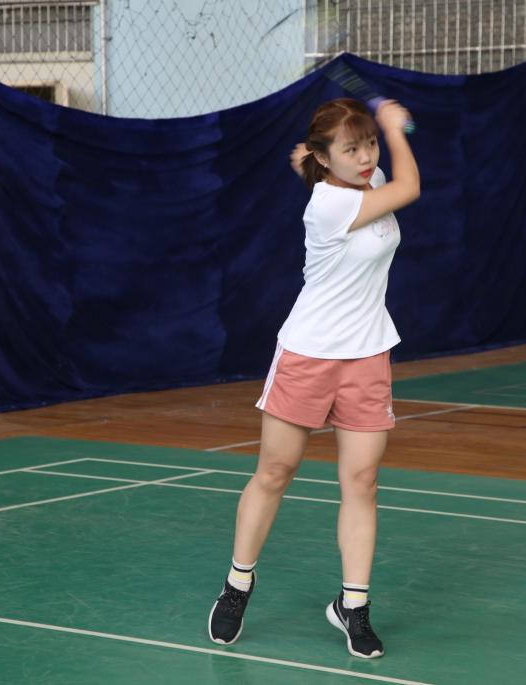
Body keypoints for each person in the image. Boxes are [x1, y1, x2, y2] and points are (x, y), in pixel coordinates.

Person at [208, 97, 419, 659]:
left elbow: (357, 171)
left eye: (370, 144)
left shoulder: (360, 180)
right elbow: (409, 187)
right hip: (308, 353)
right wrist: (394, 129)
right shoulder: (328, 203)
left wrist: (322, 154)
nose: (367, 156)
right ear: (327, 161)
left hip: (368, 353)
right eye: (353, 149)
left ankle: (353, 605)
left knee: (363, 481)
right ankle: (238, 584)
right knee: (275, 471)